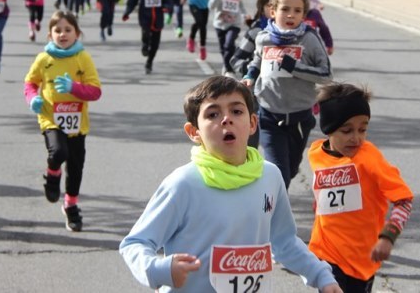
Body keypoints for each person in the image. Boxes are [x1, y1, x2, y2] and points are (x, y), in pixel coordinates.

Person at [119, 76, 343, 293]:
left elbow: (284, 242)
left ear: (253, 123)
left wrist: (321, 275)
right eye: (213, 114)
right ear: (194, 132)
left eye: (236, 111)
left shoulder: (270, 176)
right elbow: (135, 243)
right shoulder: (183, 184)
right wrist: (158, 269)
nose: (226, 119)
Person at [308, 82, 414, 292]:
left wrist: (388, 237)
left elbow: (404, 200)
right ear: (329, 129)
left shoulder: (369, 158)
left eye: (362, 129)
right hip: (326, 253)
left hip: (361, 259)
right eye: (347, 130)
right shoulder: (316, 153)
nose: (356, 138)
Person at [242, 0, 331, 188]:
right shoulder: (264, 37)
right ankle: (274, 207)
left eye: (297, 11)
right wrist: (250, 75)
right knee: (279, 172)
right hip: (269, 114)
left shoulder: (309, 39)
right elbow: (257, 60)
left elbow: (326, 75)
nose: (291, 15)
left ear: (304, 15)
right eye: (285, 9)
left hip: (299, 117)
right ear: (273, 11)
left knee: (290, 169)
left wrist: (294, 67)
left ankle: (280, 190)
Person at [24, 10, 102, 232]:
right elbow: (30, 83)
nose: (63, 34)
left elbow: (95, 91)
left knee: (76, 167)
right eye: (57, 30)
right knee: (58, 153)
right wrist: (33, 99)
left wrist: (73, 88)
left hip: (77, 123)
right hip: (50, 118)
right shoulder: (43, 59)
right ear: (50, 35)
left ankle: (70, 205)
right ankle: (52, 174)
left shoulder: (82, 58)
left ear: (77, 33)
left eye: (68, 30)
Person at [123, 0, 173, 74]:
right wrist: (127, 12)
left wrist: (167, 8)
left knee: (155, 45)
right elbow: (132, 1)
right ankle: (144, 45)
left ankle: (149, 62)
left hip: (158, 20)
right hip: (145, 18)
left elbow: (169, 2)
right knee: (145, 35)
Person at [209, 0, 248, 77]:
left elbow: (240, 3)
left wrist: (245, 14)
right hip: (220, 22)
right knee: (223, 48)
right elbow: (211, 6)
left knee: (229, 44)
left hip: (234, 22)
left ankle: (229, 69)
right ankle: (227, 64)